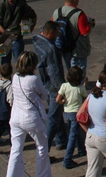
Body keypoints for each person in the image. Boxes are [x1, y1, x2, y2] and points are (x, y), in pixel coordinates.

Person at [6, 51, 51, 177]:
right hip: (31, 118)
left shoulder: (15, 77)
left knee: (15, 149)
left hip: (15, 117)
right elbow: (44, 95)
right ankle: (43, 175)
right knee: (42, 147)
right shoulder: (34, 79)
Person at [32, 20, 68, 151]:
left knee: (57, 114)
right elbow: (55, 71)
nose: (58, 36)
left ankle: (62, 140)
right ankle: (43, 149)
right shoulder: (51, 49)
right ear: (51, 33)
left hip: (44, 84)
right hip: (54, 88)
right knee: (53, 118)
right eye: (57, 33)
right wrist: (62, 89)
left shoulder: (38, 41)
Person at [52, 0, 95, 75]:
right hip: (78, 49)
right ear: (75, 0)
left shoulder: (56, 12)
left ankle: (71, 82)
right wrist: (90, 25)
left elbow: (52, 27)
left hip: (64, 46)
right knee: (79, 72)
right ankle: (78, 85)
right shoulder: (79, 14)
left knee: (70, 69)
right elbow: (85, 32)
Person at [0, 0, 37, 64]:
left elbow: (33, 16)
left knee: (19, 62)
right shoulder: (1, 7)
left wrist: (30, 29)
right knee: (5, 63)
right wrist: (6, 33)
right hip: (5, 38)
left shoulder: (22, 5)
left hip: (17, 38)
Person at [57, 66, 87, 169]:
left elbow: (58, 100)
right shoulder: (80, 88)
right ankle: (67, 159)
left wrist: (63, 101)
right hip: (76, 113)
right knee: (72, 136)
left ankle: (81, 150)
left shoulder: (64, 86)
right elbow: (85, 97)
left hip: (67, 113)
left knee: (74, 132)